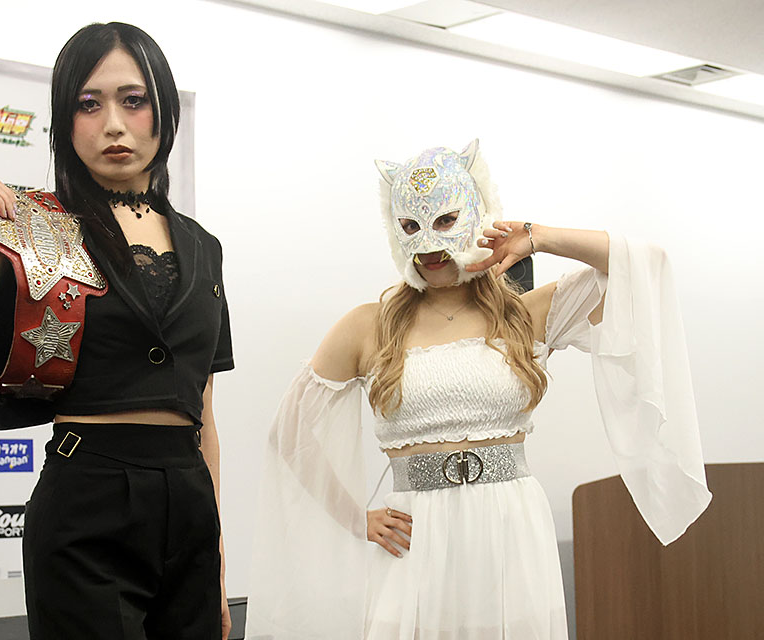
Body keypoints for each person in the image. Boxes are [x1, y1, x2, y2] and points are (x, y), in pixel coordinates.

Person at [246, 141, 711, 639]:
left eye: (447, 220)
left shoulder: (527, 314)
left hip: (510, 529)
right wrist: (355, 518)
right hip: (414, 537)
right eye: (411, 226)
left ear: (477, 217)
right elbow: (289, 434)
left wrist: (536, 237)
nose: (429, 245)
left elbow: (647, 265)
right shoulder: (368, 325)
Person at [0, 22, 234, 640]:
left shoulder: (204, 247)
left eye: (133, 100)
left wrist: (217, 564)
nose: (113, 124)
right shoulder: (35, 224)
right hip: (88, 498)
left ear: (164, 112)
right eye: (89, 104)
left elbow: (204, 415)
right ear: (65, 122)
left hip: (188, 504)